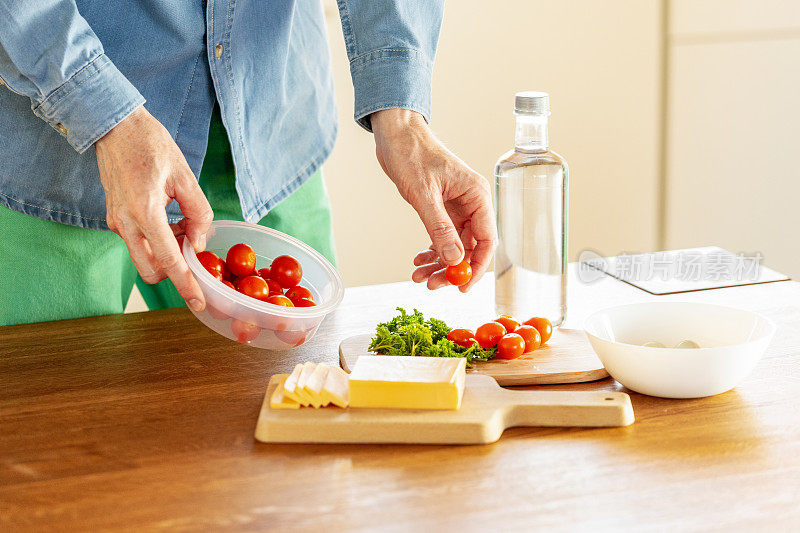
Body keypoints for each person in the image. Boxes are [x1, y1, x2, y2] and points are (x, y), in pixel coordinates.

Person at [0, 0, 496, 326]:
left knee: (294, 419)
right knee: (43, 439)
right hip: (51, 151)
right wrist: (102, 112)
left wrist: (402, 117)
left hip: (271, 124)